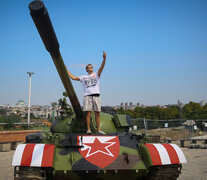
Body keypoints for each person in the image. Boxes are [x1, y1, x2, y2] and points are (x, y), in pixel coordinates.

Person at [66, 51, 106, 134]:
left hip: (96, 95)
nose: (90, 68)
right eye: (89, 67)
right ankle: (88, 129)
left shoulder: (96, 74)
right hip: (87, 96)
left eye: (91, 67)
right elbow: (73, 78)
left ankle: (98, 129)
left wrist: (104, 58)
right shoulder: (83, 77)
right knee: (88, 113)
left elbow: (102, 67)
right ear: (86, 69)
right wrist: (66, 70)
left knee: (97, 113)